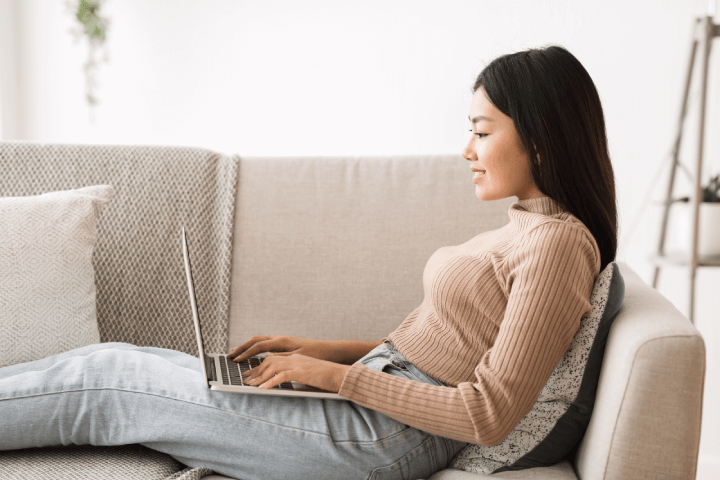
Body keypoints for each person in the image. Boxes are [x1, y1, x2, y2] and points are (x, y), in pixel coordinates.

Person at [0, 44, 616, 480]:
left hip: (378, 440)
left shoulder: (559, 247)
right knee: (111, 360)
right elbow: (438, 346)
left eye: (481, 131)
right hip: (375, 405)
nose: (466, 150)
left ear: (537, 137)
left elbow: (486, 413)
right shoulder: (527, 226)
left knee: (107, 388)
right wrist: (317, 350)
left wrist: (334, 378)